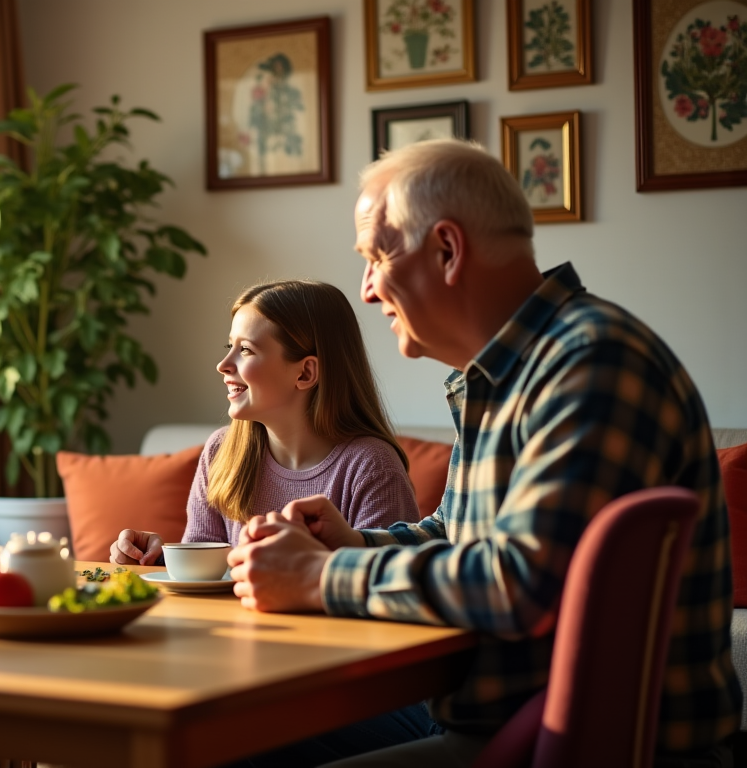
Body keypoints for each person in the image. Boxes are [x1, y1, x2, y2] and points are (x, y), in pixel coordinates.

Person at [228, 140, 740, 767]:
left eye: (375, 257)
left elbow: (520, 582)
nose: (365, 291)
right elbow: (462, 537)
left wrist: (316, 576)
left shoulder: (590, 365)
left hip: (576, 749)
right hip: (511, 731)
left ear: (447, 250)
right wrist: (353, 544)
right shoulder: (510, 375)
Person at [109, 279, 421, 566]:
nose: (223, 364)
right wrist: (154, 557)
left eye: (245, 349)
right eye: (228, 346)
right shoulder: (221, 452)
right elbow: (208, 577)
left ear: (305, 374)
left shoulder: (372, 466)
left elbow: (384, 582)